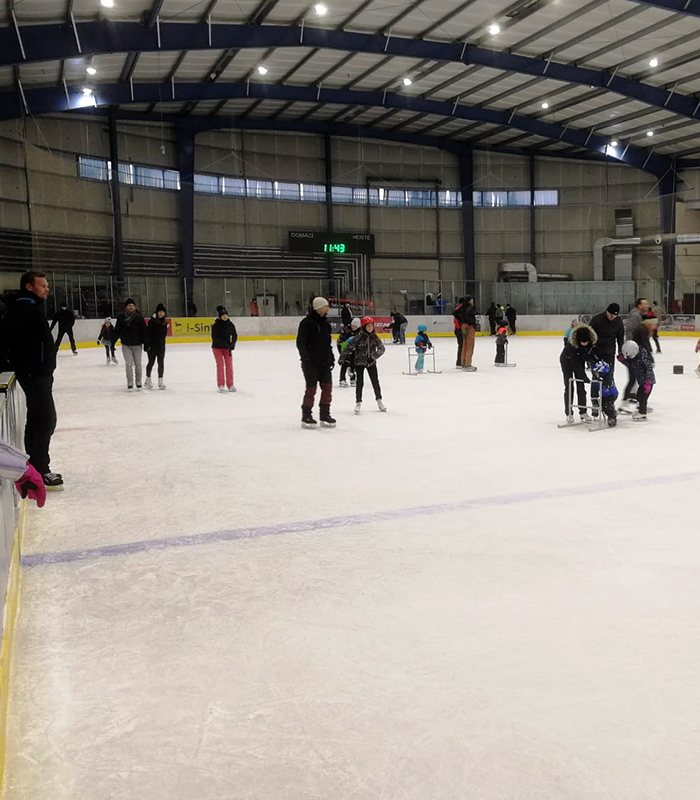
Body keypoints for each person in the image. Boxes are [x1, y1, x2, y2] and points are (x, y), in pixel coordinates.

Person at [3, 271, 62, 490]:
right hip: (33, 374)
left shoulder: (31, 308)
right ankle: (41, 470)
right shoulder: (22, 309)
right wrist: (14, 365)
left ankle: (35, 467)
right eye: (43, 285)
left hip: (39, 374)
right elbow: (5, 338)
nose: (47, 289)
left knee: (39, 420)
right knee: (45, 420)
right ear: (29, 287)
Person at [297, 297, 335, 428]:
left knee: (327, 388)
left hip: (325, 362)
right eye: (325, 306)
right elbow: (301, 342)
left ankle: (325, 414)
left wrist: (331, 358)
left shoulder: (326, 324)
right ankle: (306, 415)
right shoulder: (306, 323)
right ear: (318, 308)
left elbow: (328, 344)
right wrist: (305, 358)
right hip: (311, 363)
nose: (328, 308)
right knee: (311, 389)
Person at [340, 317, 387, 414]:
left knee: (375, 382)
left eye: (371, 326)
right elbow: (349, 347)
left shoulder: (374, 337)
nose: (370, 328)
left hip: (371, 363)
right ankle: (358, 402)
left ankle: (379, 401)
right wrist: (342, 358)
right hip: (359, 363)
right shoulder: (359, 336)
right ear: (364, 327)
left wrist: (373, 357)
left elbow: (382, 348)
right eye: (368, 326)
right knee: (359, 383)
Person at [559, 324, 597, 422]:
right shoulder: (571, 345)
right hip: (567, 361)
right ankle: (569, 413)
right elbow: (575, 363)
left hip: (579, 360)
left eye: (586, 342)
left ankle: (583, 412)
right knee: (569, 387)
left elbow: (590, 356)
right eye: (582, 342)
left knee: (581, 387)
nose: (584, 344)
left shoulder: (591, 342)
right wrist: (583, 376)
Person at [113, 298, 148, 391]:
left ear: (135, 307)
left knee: (138, 363)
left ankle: (138, 381)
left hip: (137, 344)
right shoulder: (121, 317)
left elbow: (144, 331)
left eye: (132, 306)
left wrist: (146, 343)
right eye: (129, 306)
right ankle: (130, 382)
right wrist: (113, 343)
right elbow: (117, 330)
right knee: (128, 363)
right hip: (126, 344)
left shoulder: (139, 317)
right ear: (126, 307)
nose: (131, 307)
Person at [619, 340, 655, 421]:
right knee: (639, 396)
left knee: (643, 398)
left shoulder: (643, 359)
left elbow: (649, 369)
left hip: (647, 383)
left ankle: (642, 413)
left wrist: (648, 382)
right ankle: (641, 411)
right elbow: (630, 364)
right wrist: (623, 360)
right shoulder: (635, 358)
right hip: (641, 382)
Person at [211, 306, 238, 392]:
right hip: (217, 348)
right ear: (220, 316)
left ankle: (230, 384)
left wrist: (232, 345)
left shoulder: (230, 325)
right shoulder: (215, 326)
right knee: (220, 365)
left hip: (227, 348)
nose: (225, 317)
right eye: (223, 315)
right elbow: (215, 338)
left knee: (229, 365)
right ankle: (221, 384)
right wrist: (225, 344)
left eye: (226, 315)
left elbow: (234, 335)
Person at [145, 303, 168, 390]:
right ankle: (148, 379)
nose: (161, 313)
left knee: (161, 362)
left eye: (163, 312)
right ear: (157, 312)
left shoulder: (165, 323)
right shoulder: (152, 322)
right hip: (152, 346)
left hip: (161, 346)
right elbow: (148, 334)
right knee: (151, 362)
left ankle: (160, 380)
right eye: (159, 311)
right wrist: (147, 345)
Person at [590, 359, 619, 427]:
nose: (595, 373)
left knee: (608, 406)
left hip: (612, 395)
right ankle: (613, 413)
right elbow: (594, 391)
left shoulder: (608, 378)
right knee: (603, 407)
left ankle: (612, 417)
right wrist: (595, 402)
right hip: (604, 395)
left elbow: (608, 384)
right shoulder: (595, 380)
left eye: (597, 372)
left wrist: (602, 382)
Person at [454, 295, 478, 371]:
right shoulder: (470, 307)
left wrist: (462, 320)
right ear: (469, 300)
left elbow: (455, 313)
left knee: (464, 345)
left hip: (463, 326)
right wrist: (470, 322)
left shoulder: (462, 307)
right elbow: (469, 316)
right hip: (469, 327)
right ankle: (468, 364)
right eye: (471, 299)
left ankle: (463, 363)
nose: (472, 301)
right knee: (470, 346)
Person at [338, 318, 360, 387]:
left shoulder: (359, 332)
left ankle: (353, 379)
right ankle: (342, 379)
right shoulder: (346, 330)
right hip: (343, 347)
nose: (353, 327)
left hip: (354, 349)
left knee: (354, 363)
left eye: (355, 326)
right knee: (345, 363)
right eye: (352, 325)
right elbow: (341, 341)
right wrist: (343, 353)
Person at [453, 298, 464, 367]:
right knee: (461, 346)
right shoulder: (459, 309)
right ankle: (459, 362)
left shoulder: (459, 308)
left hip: (459, 329)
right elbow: (456, 320)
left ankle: (460, 361)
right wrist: (459, 328)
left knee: (461, 346)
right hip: (459, 330)